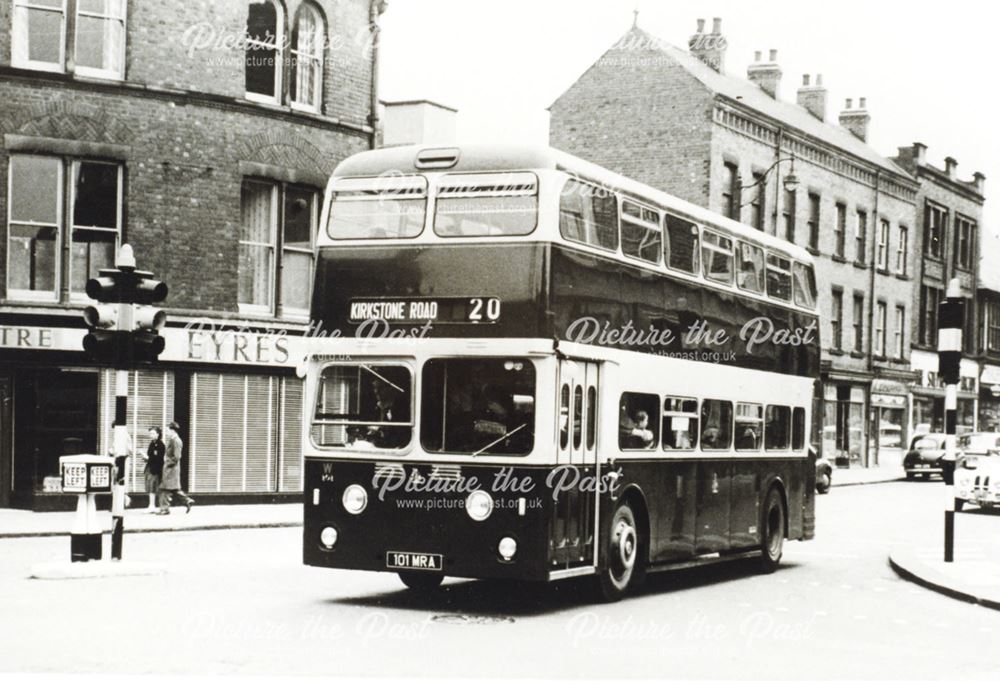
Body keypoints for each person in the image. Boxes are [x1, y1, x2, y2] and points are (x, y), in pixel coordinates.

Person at [157, 421, 195, 514]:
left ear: (172, 430)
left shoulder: (176, 440)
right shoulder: (173, 439)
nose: (166, 432)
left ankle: (164, 509)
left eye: (167, 430)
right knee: (173, 489)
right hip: (170, 468)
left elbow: (177, 456)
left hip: (171, 469)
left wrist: (167, 463)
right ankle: (187, 500)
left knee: (164, 489)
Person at [141, 426, 165, 512]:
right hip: (150, 468)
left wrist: (147, 457)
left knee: (152, 487)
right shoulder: (152, 443)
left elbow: (158, 458)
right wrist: (146, 458)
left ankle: (152, 506)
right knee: (149, 486)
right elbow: (151, 456)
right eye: (150, 433)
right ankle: (151, 505)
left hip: (155, 469)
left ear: (158, 434)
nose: (151, 435)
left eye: (153, 433)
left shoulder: (160, 445)